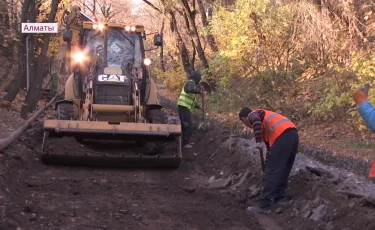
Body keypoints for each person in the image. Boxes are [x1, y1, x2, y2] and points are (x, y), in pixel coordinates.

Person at [239, 107, 299, 213]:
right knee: (284, 168)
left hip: (282, 136)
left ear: (244, 119)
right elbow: (270, 150)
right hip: (293, 135)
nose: (249, 126)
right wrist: (266, 165)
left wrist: (257, 141)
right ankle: (279, 198)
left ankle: (264, 205)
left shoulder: (253, 114)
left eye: (245, 124)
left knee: (272, 172)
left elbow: (255, 120)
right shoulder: (267, 120)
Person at [177, 70, 202, 149]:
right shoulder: (191, 82)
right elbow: (189, 90)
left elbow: (191, 101)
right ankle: (185, 144)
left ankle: (183, 142)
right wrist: (198, 91)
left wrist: (199, 107)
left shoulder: (191, 84)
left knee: (185, 126)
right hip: (184, 107)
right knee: (189, 125)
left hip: (183, 106)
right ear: (197, 78)